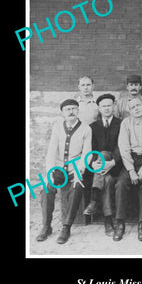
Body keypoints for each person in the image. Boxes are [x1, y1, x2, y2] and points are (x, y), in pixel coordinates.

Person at [36, 99, 92, 244]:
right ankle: (46, 226)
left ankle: (66, 227)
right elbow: (51, 151)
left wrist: (79, 172)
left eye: (74, 108)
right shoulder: (57, 127)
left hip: (75, 169)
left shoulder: (86, 128)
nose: (71, 111)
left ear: (78, 111)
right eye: (68, 109)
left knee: (77, 187)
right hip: (58, 169)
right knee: (47, 188)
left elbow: (87, 154)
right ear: (62, 112)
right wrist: (50, 173)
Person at [114, 96, 142, 242]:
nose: (136, 109)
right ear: (129, 110)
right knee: (121, 184)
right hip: (130, 159)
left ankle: (141, 224)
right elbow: (123, 148)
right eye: (133, 107)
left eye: (138, 105)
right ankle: (120, 223)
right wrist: (131, 170)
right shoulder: (126, 123)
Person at [83, 94, 122, 236]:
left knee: (105, 153)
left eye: (109, 105)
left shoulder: (121, 123)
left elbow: (121, 146)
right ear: (99, 108)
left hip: (116, 164)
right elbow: (91, 148)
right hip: (99, 167)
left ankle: (94, 199)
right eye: (104, 106)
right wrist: (94, 162)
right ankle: (108, 221)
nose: (107, 108)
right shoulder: (93, 126)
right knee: (107, 180)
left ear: (114, 106)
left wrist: (112, 163)